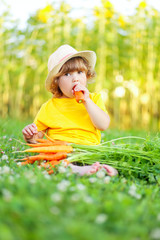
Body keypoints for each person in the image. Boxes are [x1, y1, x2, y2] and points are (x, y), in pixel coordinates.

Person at [22, 44, 118, 176]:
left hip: (88, 149)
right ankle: (79, 169)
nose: (75, 78)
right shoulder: (49, 106)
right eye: (67, 74)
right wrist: (30, 137)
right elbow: (37, 140)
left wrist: (87, 101)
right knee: (47, 159)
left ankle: (97, 167)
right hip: (60, 150)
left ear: (87, 75)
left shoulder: (93, 99)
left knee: (109, 157)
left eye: (80, 72)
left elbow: (103, 124)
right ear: (57, 82)